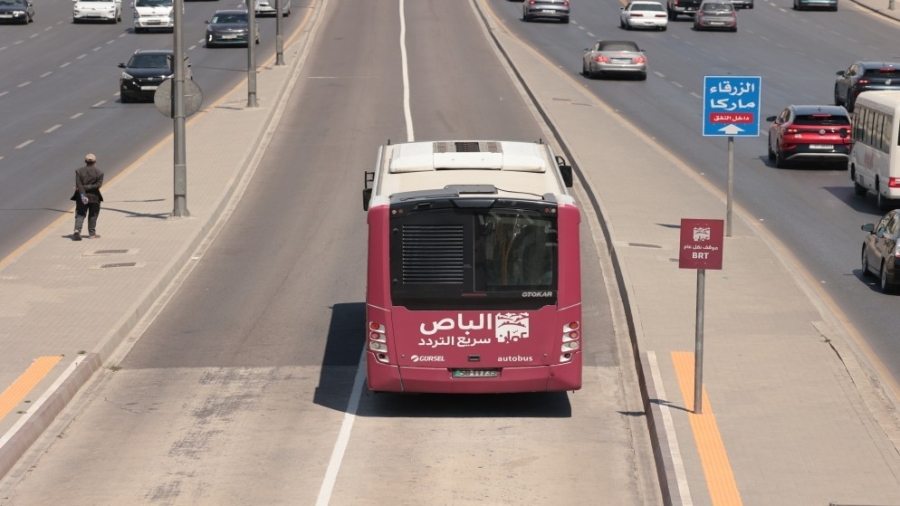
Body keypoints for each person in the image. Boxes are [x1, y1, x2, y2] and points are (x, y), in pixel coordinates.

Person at [70, 153, 104, 241]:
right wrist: (87, 187)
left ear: (85, 161)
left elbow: (79, 184)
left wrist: (83, 194)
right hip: (94, 197)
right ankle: (92, 234)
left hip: (81, 197)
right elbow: (98, 185)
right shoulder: (99, 172)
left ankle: (77, 230)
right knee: (93, 215)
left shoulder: (79, 171)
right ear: (95, 161)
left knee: (80, 213)